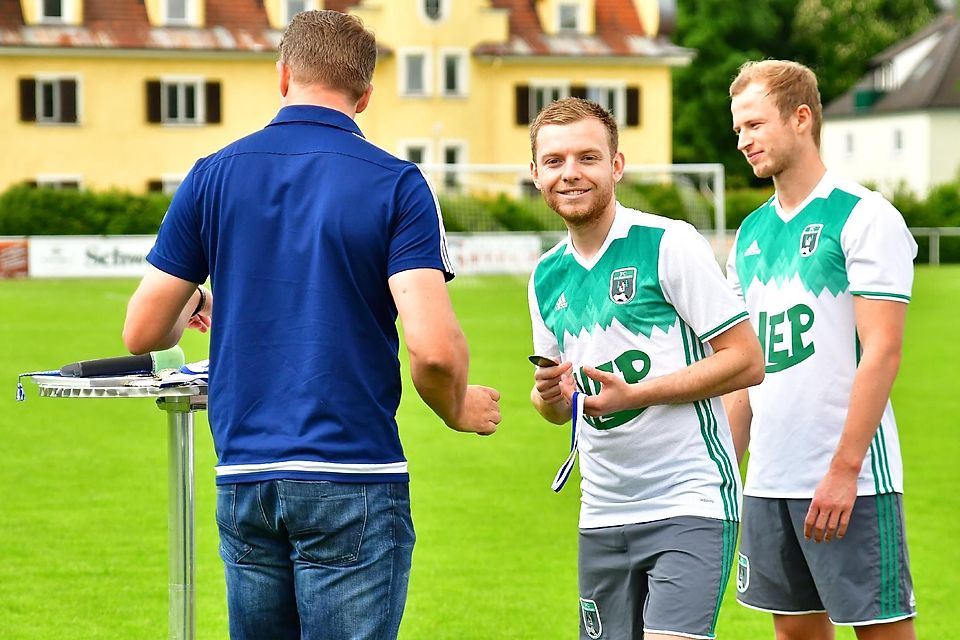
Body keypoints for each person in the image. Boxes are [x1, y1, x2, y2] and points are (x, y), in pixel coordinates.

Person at [122, 10, 501, 640]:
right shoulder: (398, 183)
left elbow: (143, 333)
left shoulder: (211, 174)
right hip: (350, 472)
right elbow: (432, 350)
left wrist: (192, 306)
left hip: (246, 475)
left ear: (281, 77)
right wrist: (458, 408)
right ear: (367, 93)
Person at [527, 97, 765, 640]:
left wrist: (639, 393)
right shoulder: (544, 275)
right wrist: (549, 394)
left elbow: (747, 360)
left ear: (616, 166)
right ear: (536, 173)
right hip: (601, 512)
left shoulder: (667, 243)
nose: (571, 173)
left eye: (588, 157)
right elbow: (555, 409)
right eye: (555, 160)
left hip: (690, 499)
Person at [726, 59, 918, 640]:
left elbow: (882, 350)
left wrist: (844, 470)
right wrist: (726, 473)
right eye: (738, 130)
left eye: (755, 125)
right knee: (794, 633)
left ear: (801, 117)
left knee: (881, 630)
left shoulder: (863, 216)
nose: (743, 141)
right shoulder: (751, 234)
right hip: (770, 478)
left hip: (848, 480)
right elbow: (742, 368)